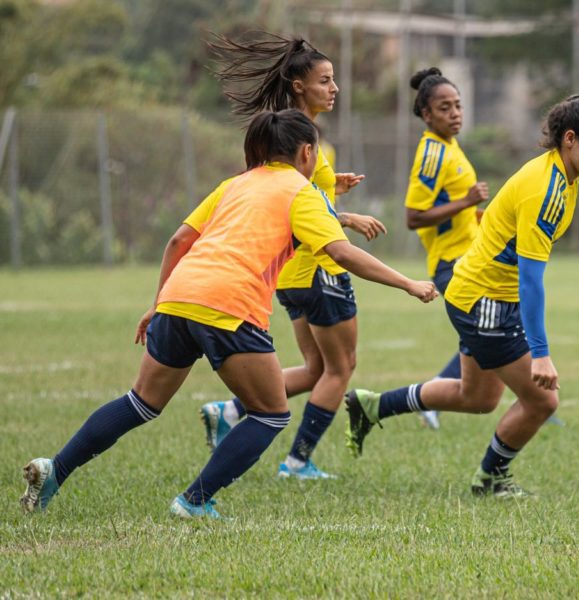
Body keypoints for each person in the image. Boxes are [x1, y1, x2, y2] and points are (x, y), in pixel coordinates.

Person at [19, 110, 437, 518]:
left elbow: (178, 240)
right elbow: (341, 252)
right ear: (307, 152)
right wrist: (408, 283)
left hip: (179, 296)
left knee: (140, 402)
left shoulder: (234, 185)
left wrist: (158, 303)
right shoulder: (300, 191)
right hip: (229, 305)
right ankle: (194, 501)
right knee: (271, 414)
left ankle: (55, 470)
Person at [343, 95, 579, 497]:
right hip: (485, 302)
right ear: (570, 139)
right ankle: (491, 479)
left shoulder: (563, 176)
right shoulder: (545, 188)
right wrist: (541, 351)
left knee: (476, 396)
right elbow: (532, 280)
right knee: (543, 402)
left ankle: (372, 406)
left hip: (476, 293)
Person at [197, 33, 393, 479]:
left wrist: (330, 188)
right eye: (325, 80)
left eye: (334, 79)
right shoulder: (301, 138)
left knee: (316, 368)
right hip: (319, 268)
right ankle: (297, 461)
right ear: (299, 85)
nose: (334, 87)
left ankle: (229, 411)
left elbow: (295, 194)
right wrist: (345, 218)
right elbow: (294, 205)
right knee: (342, 368)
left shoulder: (293, 136)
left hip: (291, 273)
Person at [402, 67, 490, 429]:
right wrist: (465, 201)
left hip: (468, 256)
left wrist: (476, 213)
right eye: (444, 108)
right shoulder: (431, 155)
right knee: (491, 334)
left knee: (491, 333)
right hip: (451, 264)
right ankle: (430, 399)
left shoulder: (449, 145)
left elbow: (452, 204)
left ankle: (535, 401)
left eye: (458, 106)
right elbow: (414, 216)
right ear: (426, 114)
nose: (454, 114)